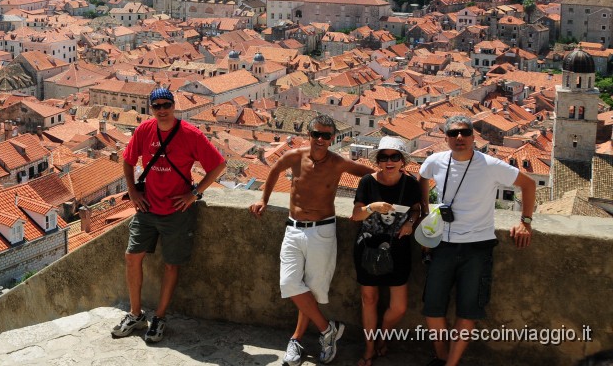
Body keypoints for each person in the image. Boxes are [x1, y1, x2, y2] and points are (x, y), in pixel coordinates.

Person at [249, 114, 375, 365]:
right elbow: (274, 170)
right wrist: (264, 198)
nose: (320, 139)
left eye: (326, 135)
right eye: (316, 134)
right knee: (289, 282)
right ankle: (328, 329)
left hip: (323, 230)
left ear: (332, 139)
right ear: (309, 135)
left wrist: (370, 203)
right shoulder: (295, 156)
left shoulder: (338, 163)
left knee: (313, 290)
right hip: (293, 228)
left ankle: (297, 339)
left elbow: (371, 175)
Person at [111, 87, 226, 344]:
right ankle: (136, 314)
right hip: (147, 206)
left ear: (174, 106)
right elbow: (128, 160)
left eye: (166, 105)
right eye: (157, 106)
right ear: (151, 108)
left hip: (177, 210)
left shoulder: (190, 134)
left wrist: (194, 194)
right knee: (132, 257)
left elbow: (219, 164)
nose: (162, 110)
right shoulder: (144, 130)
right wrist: (132, 192)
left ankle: (159, 317)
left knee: (171, 265)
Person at [418, 115, 535, 366]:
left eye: (464, 132)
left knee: (468, 311)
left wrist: (525, 221)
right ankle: (440, 357)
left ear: (473, 136)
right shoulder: (435, 161)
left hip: (477, 249)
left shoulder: (491, 165)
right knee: (432, 309)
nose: (459, 137)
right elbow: (422, 178)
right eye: (453, 133)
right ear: (445, 137)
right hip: (442, 245)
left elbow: (528, 184)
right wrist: (424, 212)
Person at [350, 136, 421, 366]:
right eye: (384, 157)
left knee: (398, 307)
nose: (389, 161)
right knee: (369, 299)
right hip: (368, 247)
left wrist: (411, 222)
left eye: (394, 156)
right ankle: (369, 348)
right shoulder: (367, 183)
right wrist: (372, 207)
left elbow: (416, 209)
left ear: (403, 161)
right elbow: (356, 216)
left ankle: (382, 335)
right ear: (378, 161)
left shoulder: (411, 184)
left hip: (398, 248)